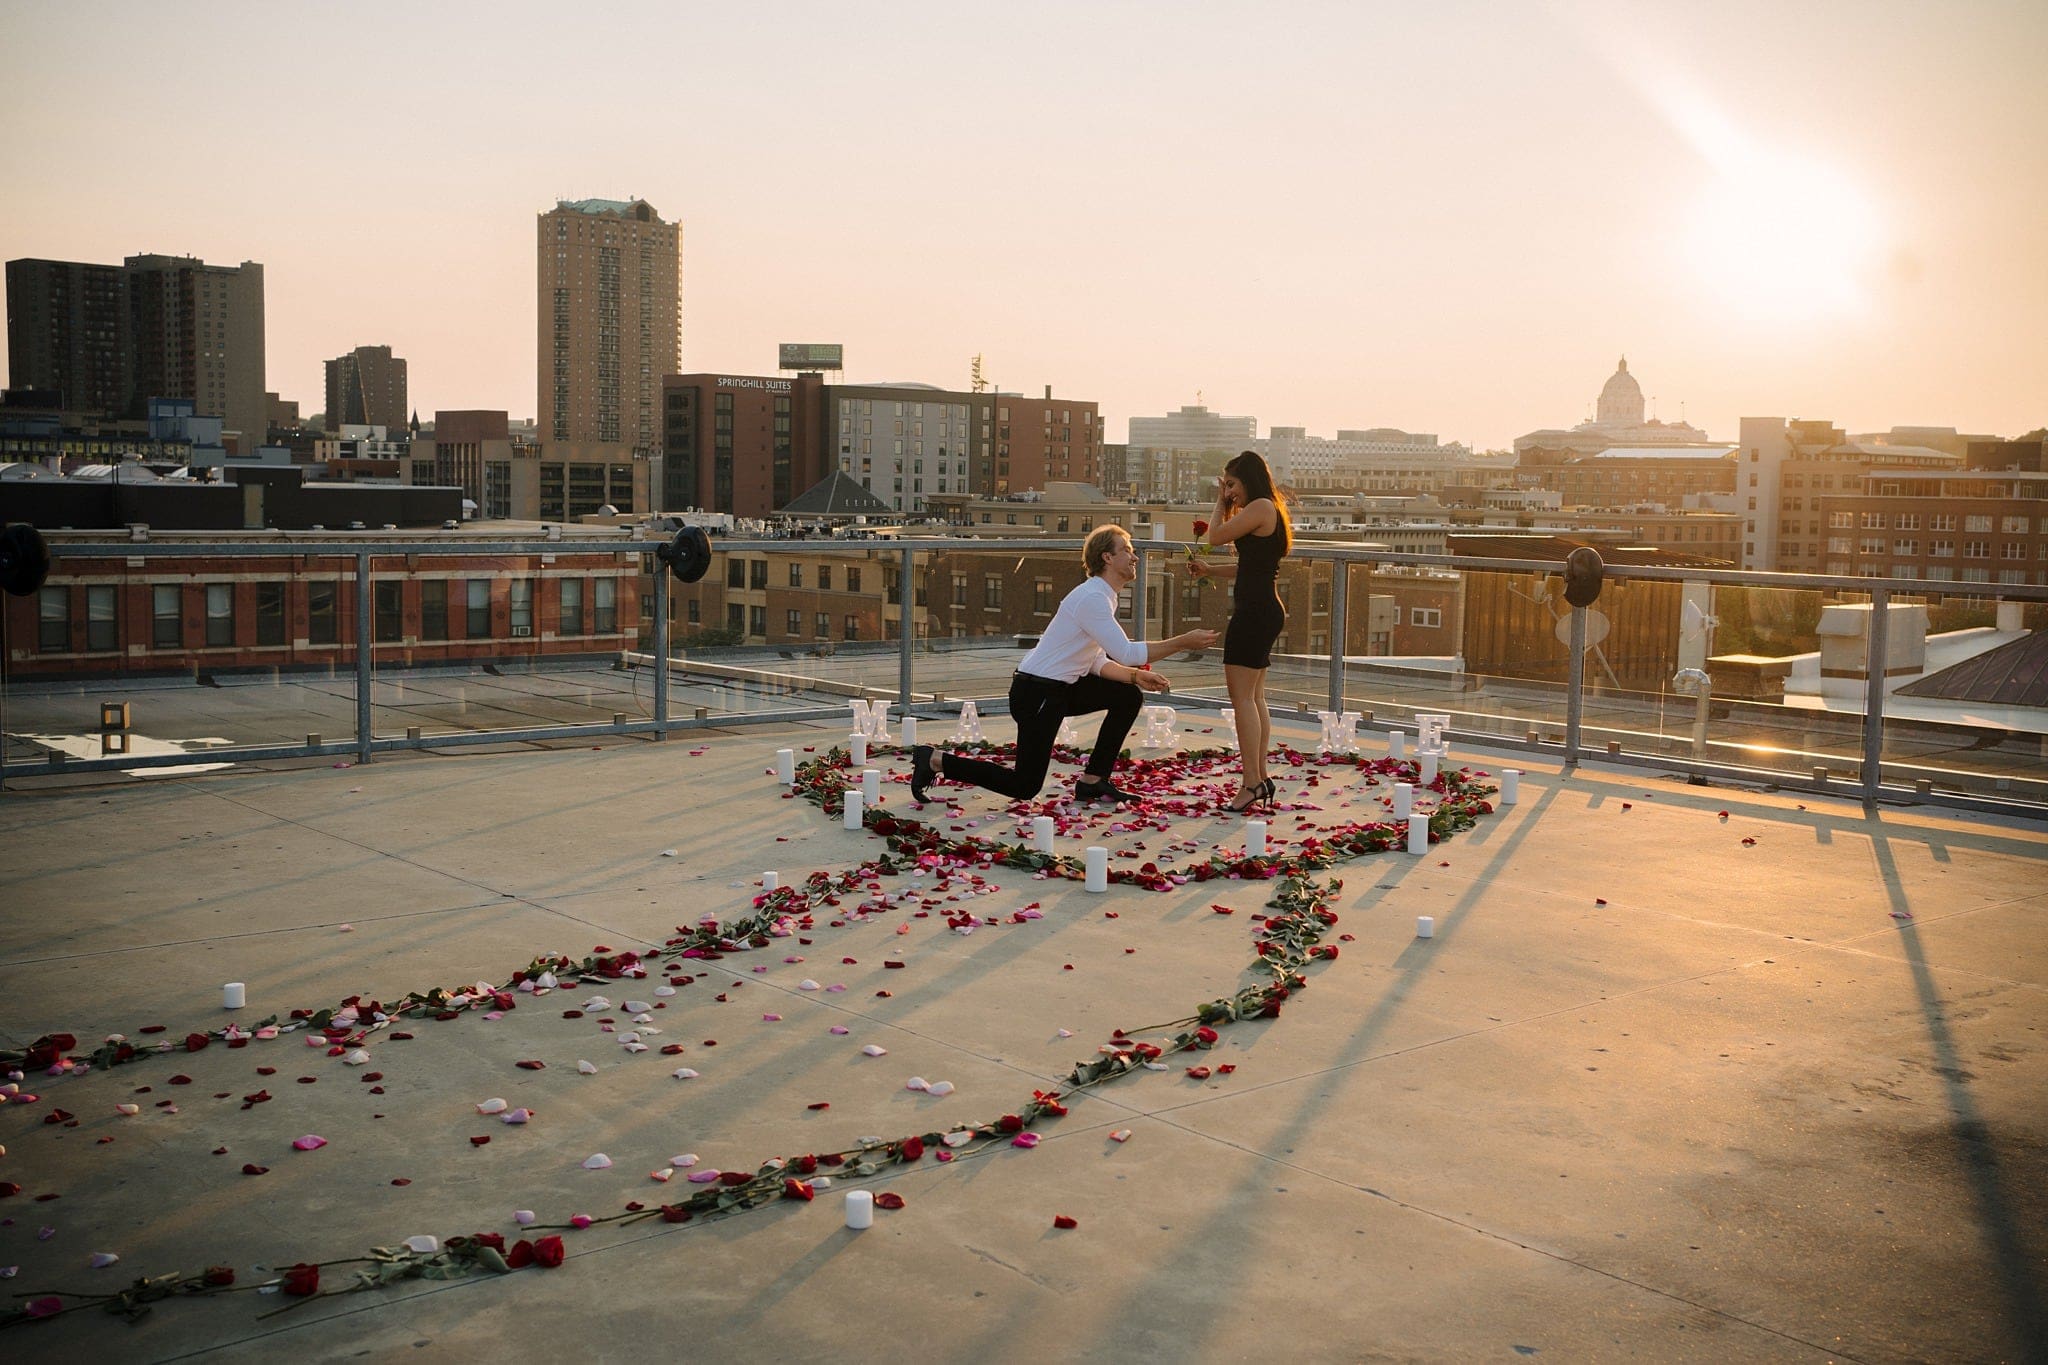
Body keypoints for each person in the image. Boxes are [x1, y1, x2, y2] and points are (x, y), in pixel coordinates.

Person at [912, 525, 1218, 806]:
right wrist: (1183, 642)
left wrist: (1135, 677)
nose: (1135, 557)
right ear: (1107, 557)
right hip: (1037, 694)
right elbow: (1125, 652)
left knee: (1127, 695)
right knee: (1025, 785)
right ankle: (935, 761)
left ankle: (1093, 781)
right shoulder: (1092, 598)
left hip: (1058, 689)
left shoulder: (1101, 596)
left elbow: (1095, 661)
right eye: (1126, 549)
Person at [1186, 449, 1291, 811]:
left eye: (1231, 484)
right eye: (1225, 486)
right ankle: (1259, 777)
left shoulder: (1261, 506)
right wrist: (1211, 571)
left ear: (1247, 479)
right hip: (1261, 610)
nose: (1228, 491)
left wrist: (1218, 502)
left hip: (1255, 613)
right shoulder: (1266, 508)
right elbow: (1250, 568)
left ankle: (1250, 783)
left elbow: (1214, 536)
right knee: (1255, 697)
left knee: (1242, 698)